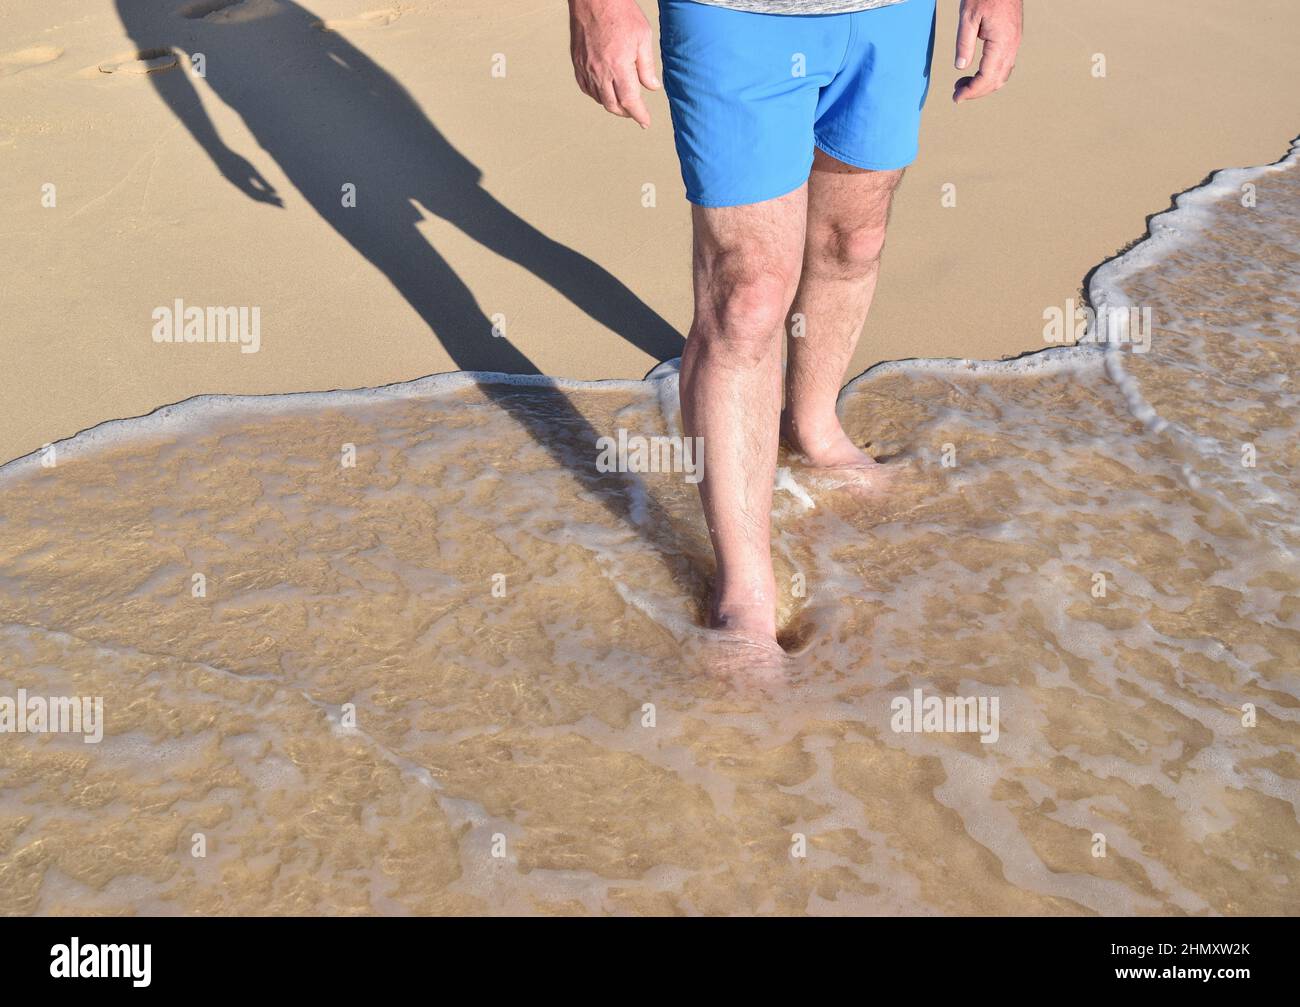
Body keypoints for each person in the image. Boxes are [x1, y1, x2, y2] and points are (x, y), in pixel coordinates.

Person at [568, 0, 1023, 647]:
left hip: (890, 14)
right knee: (746, 297)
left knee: (854, 240)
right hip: (733, 14)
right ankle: (745, 589)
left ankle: (814, 427)